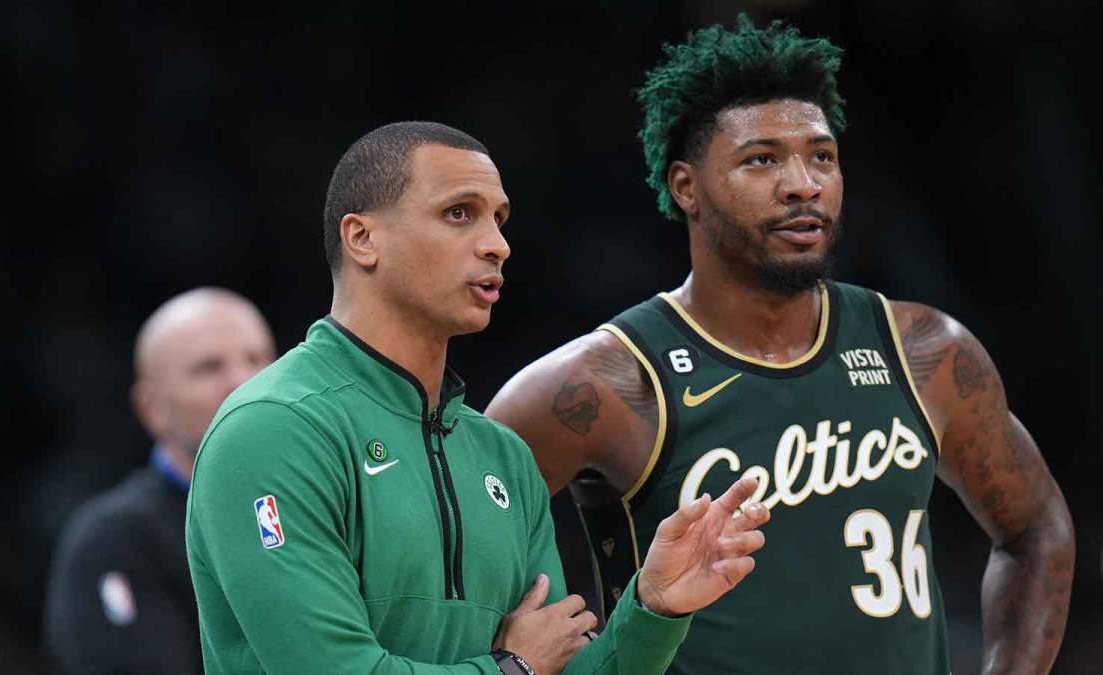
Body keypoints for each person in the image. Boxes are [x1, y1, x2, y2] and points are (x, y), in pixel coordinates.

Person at [486, 16, 1075, 675]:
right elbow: (439, 558)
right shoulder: (603, 383)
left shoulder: (924, 350)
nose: (803, 183)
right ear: (687, 187)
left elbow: (1037, 530)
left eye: (822, 156)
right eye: (761, 159)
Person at [185, 121, 771, 675]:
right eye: (459, 214)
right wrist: (509, 667)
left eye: (499, 219)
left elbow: (556, 663)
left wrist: (652, 608)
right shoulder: (273, 429)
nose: (497, 245)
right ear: (362, 238)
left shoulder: (504, 457)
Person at [45, 287, 276, 674]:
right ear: (152, 409)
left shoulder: (334, 504)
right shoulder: (115, 540)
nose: (242, 382)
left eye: (256, 360)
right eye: (208, 368)